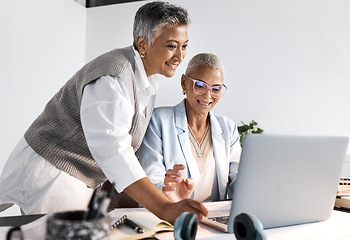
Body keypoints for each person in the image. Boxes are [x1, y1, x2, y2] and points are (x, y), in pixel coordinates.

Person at [0, 1, 207, 224]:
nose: (180, 56)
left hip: (73, 177)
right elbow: (114, 152)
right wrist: (164, 207)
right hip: (50, 172)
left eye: (184, 46)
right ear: (143, 44)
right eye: (171, 46)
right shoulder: (113, 79)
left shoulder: (148, 79)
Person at [137, 53, 241, 203]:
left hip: (214, 220)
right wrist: (170, 196)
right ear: (184, 82)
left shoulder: (228, 128)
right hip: (175, 216)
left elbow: (240, 179)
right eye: (200, 85)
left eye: (216, 89)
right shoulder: (158, 120)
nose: (208, 95)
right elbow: (151, 180)